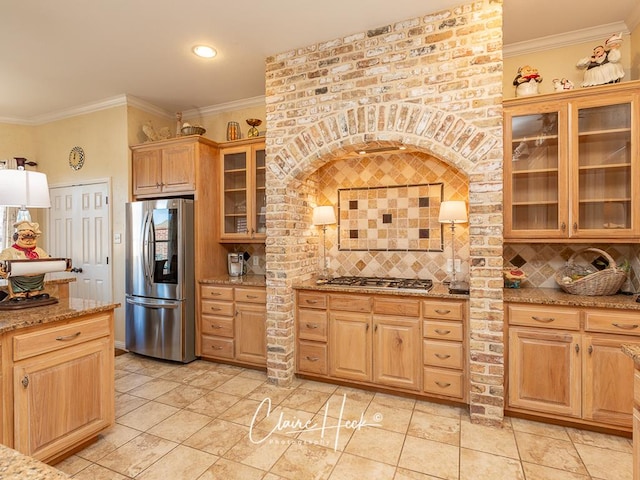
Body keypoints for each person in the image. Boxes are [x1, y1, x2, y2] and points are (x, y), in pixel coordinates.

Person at [0, 221, 51, 301]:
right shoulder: (9, 251)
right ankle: (17, 296)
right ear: (16, 238)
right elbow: (2, 263)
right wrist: (2, 270)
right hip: (18, 281)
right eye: (25, 239)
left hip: (36, 280)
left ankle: (35, 295)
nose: (29, 241)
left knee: (35, 295)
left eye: (32, 238)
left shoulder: (39, 251)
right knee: (19, 297)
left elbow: (49, 262)